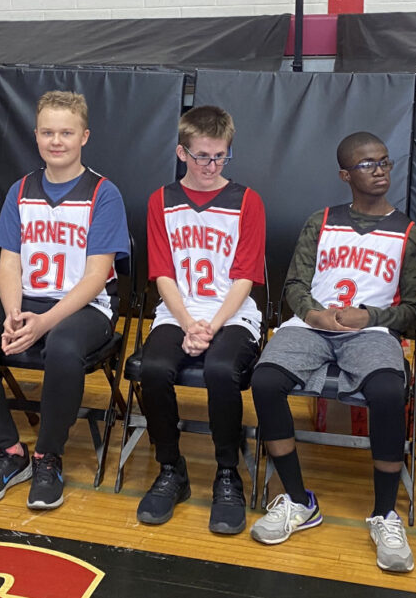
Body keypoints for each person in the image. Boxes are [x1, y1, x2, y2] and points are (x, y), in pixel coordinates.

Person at [249, 131, 416, 573]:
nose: (380, 169)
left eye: (384, 161)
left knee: (388, 391)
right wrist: (316, 316)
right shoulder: (321, 221)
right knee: (265, 380)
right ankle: (297, 500)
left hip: (371, 331)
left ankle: (385, 515)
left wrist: (372, 318)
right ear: (346, 174)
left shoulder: (409, 232)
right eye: (368, 164)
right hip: (314, 326)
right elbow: (293, 286)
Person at [0, 90, 129, 511]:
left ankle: (49, 457)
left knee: (64, 347)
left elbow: (96, 275)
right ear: (35, 136)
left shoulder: (104, 193)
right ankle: (10, 451)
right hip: (27, 299)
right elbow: (8, 264)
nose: (56, 141)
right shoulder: (21, 190)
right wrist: (13, 314)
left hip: (87, 307)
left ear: (84, 136)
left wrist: (44, 324)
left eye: (66, 132)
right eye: (48, 132)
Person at [134, 105, 265, 534]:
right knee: (152, 369)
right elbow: (163, 273)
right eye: (202, 156)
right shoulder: (161, 201)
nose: (211, 166)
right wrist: (189, 321)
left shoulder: (247, 200)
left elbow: (246, 276)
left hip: (233, 312)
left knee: (221, 369)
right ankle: (171, 468)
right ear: (181, 152)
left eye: (220, 156)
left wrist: (211, 325)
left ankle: (228, 473)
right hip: (178, 308)